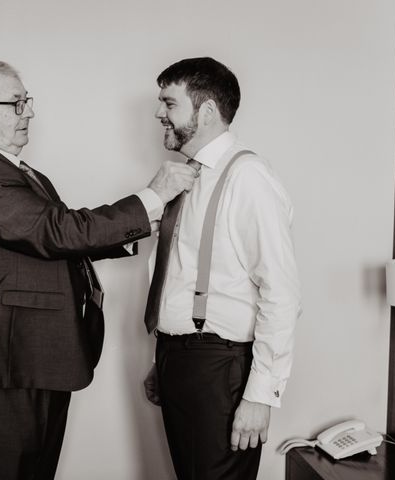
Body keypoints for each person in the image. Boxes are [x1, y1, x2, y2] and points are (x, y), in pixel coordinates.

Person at [0, 59, 197, 480]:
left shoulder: (16, 171)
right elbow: (56, 231)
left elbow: (53, 241)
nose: (30, 112)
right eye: (17, 103)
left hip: (33, 357)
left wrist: (141, 226)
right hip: (3, 364)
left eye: (27, 102)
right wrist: (151, 196)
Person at [143, 57, 302, 479]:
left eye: (169, 102)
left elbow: (281, 293)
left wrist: (259, 396)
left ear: (207, 111)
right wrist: (166, 359)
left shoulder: (247, 176)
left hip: (220, 369)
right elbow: (182, 273)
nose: (159, 112)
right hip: (182, 359)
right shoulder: (187, 178)